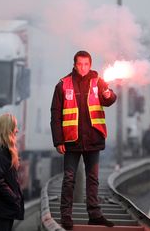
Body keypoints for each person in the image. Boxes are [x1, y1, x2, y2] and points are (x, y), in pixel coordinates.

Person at [50, 50, 117, 230]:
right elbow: (55, 115)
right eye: (80, 64)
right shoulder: (63, 85)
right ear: (74, 64)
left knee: (93, 179)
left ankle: (95, 215)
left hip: (93, 138)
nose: (83, 67)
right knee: (69, 179)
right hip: (71, 141)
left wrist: (109, 95)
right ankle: (66, 216)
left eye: (86, 64)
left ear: (90, 64)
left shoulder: (98, 82)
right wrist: (58, 141)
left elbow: (109, 99)